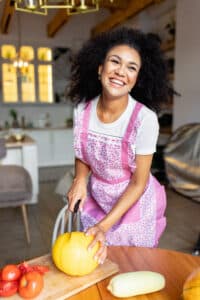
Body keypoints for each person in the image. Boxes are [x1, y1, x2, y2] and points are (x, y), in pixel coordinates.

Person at [67, 27, 173, 265]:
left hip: (133, 201)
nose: (120, 72)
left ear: (136, 79)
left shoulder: (144, 119)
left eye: (131, 67)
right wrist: (80, 179)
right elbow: (83, 153)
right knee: (95, 261)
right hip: (98, 197)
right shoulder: (82, 110)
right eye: (115, 61)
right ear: (100, 68)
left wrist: (104, 225)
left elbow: (139, 182)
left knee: (130, 263)